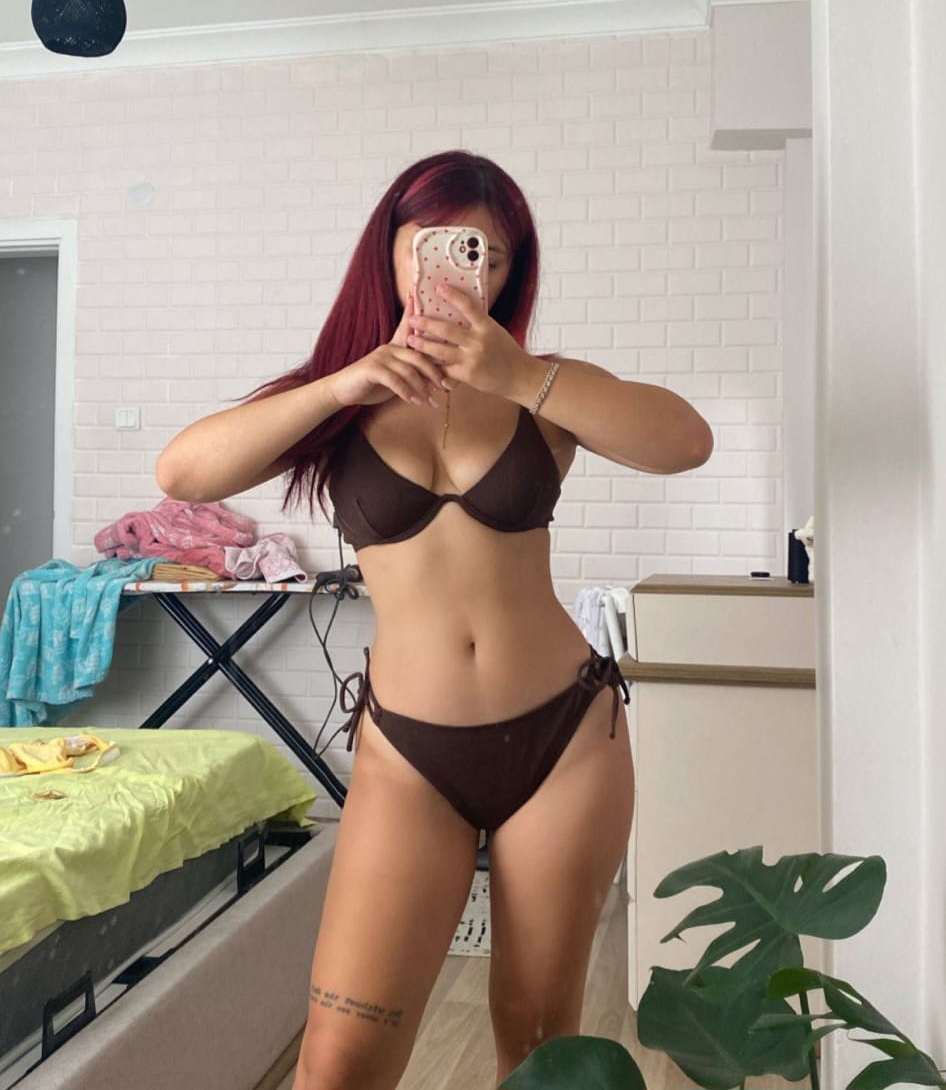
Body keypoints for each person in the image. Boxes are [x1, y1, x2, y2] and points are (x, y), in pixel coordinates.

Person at [155, 149, 713, 1090]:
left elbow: (686, 442)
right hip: (409, 756)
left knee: (538, 1051)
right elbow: (181, 472)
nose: (464, 269)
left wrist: (520, 373)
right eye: (441, 243)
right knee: (336, 1066)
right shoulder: (336, 397)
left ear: (509, 272)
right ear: (393, 249)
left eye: (490, 253)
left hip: (565, 741)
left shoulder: (543, 385)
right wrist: (342, 385)